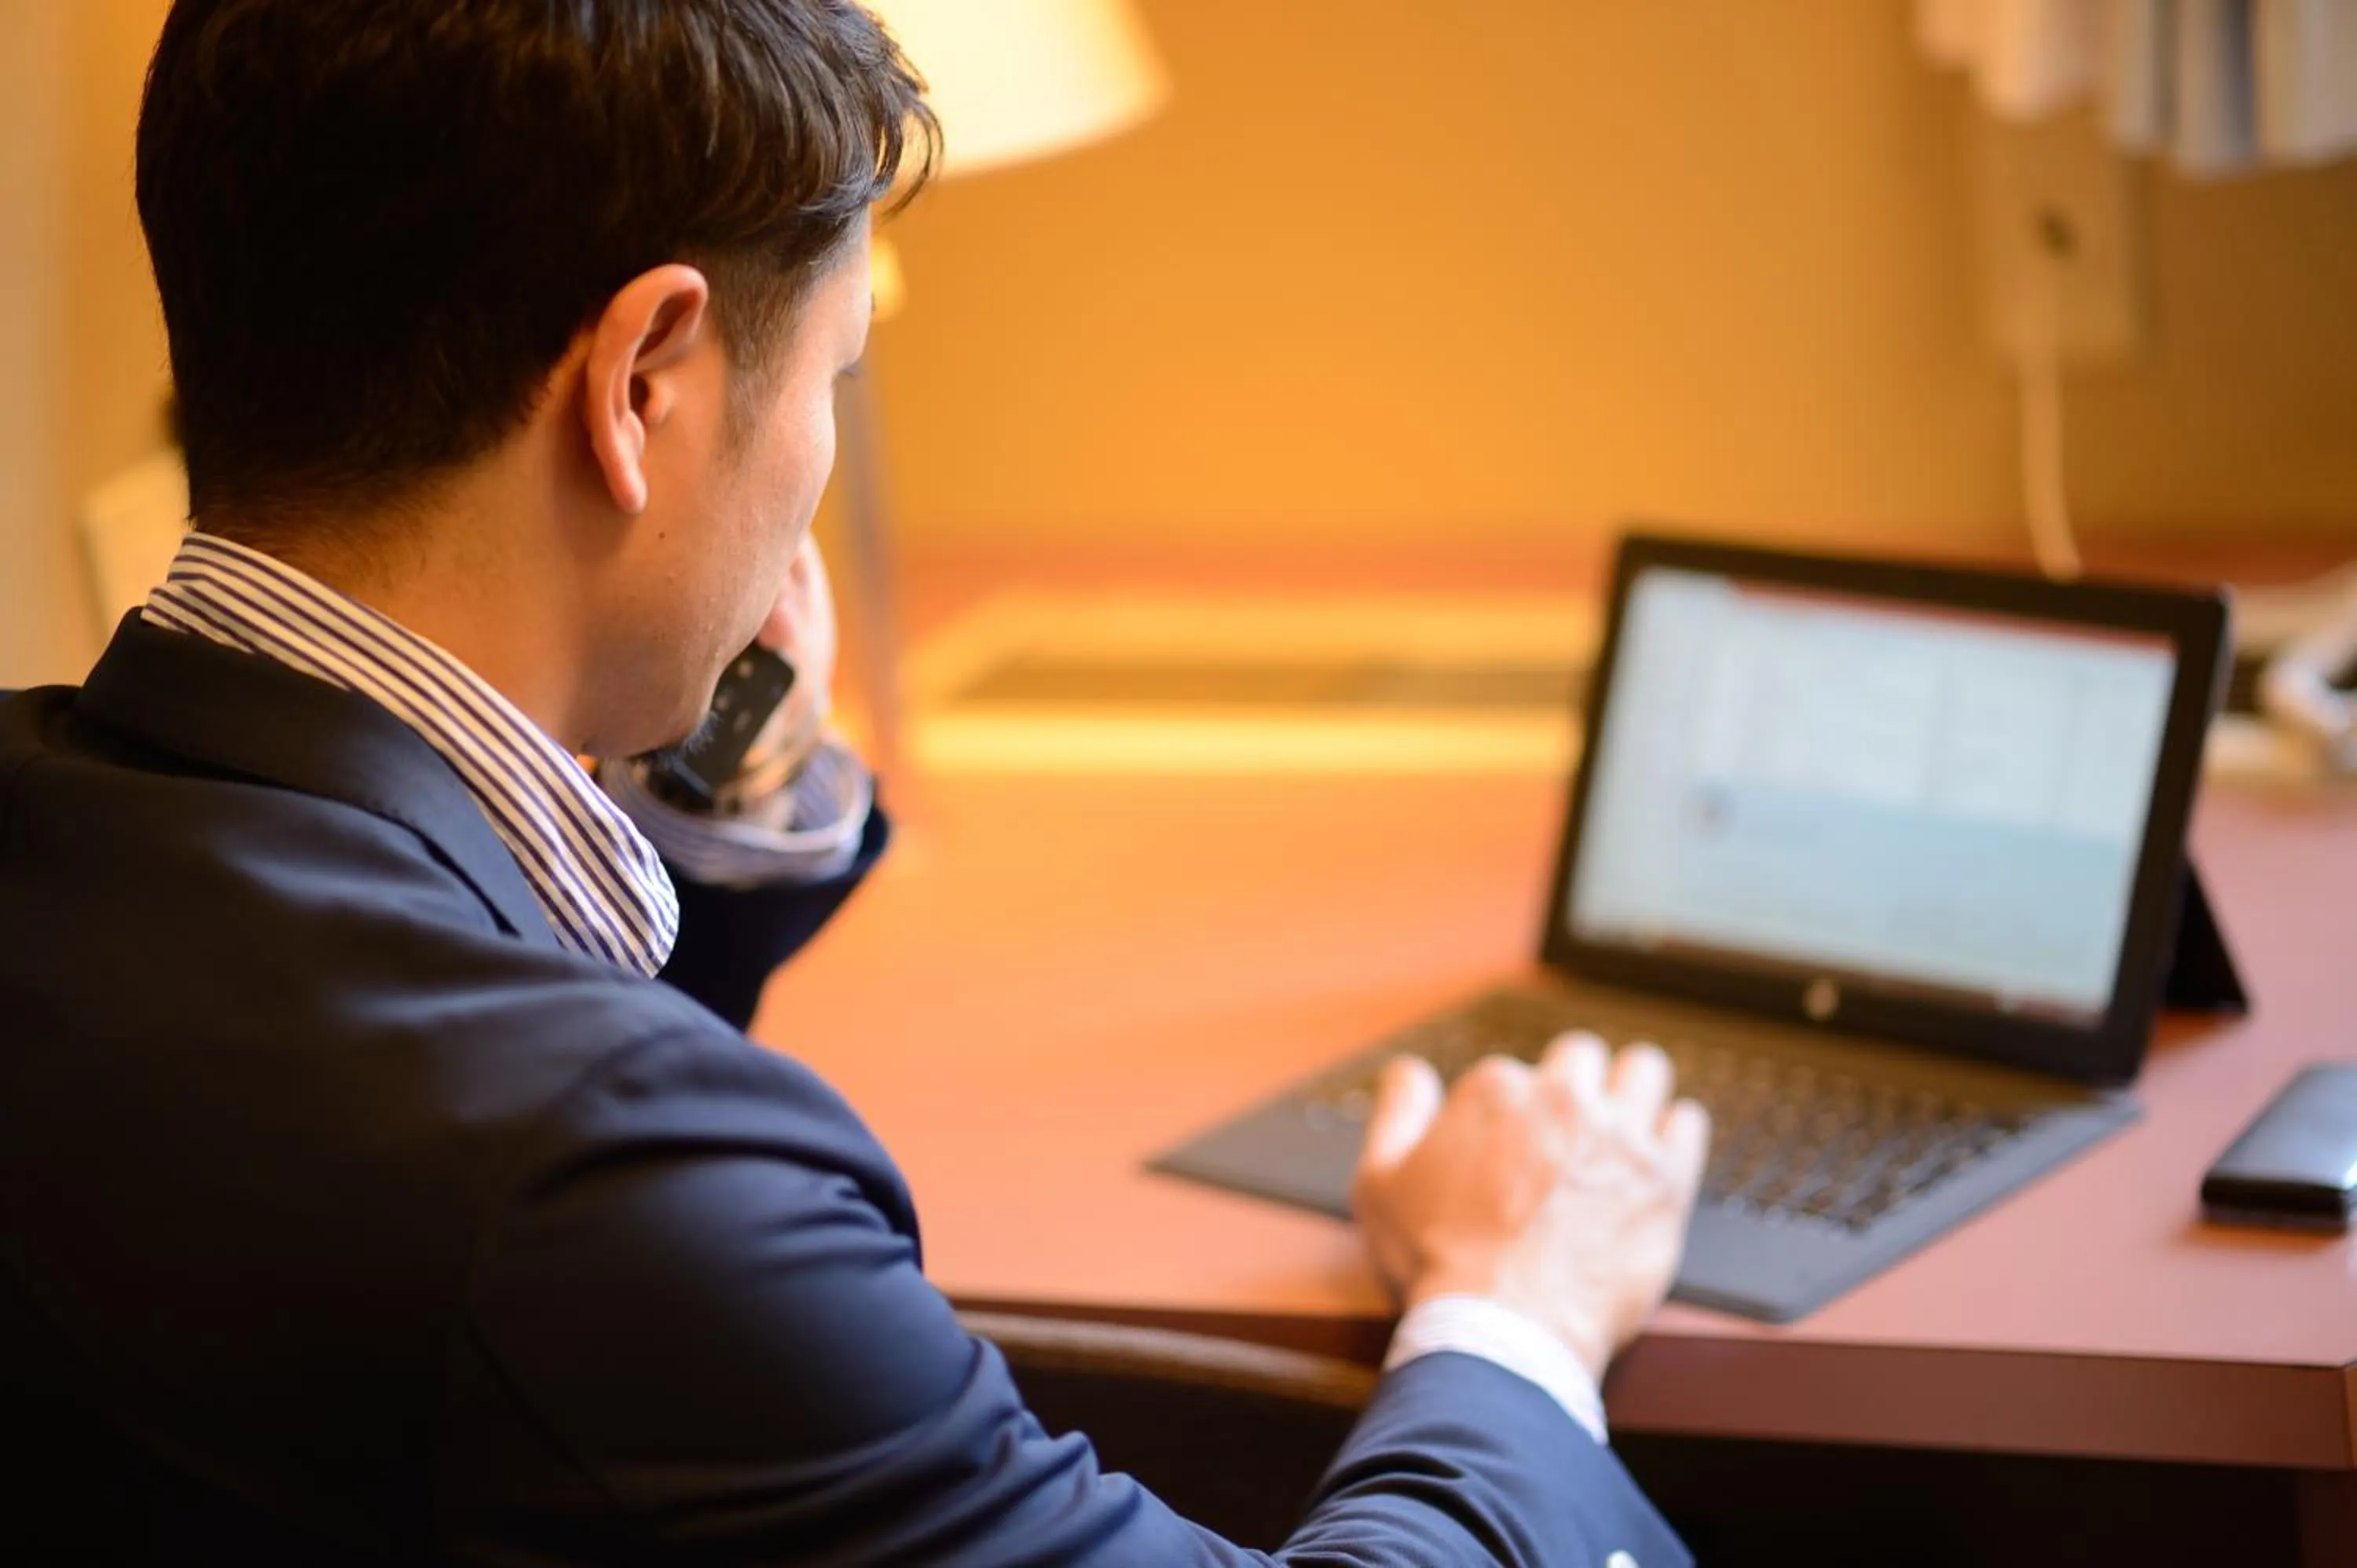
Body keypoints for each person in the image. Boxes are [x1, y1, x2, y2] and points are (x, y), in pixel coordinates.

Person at [0, 2, 1710, 1561]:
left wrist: (706, 793)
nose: (813, 460)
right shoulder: (623, 1185)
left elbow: (398, 1053)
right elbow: (524, 1162)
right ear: (644, 382)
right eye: (830, 377)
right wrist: (1516, 1308)